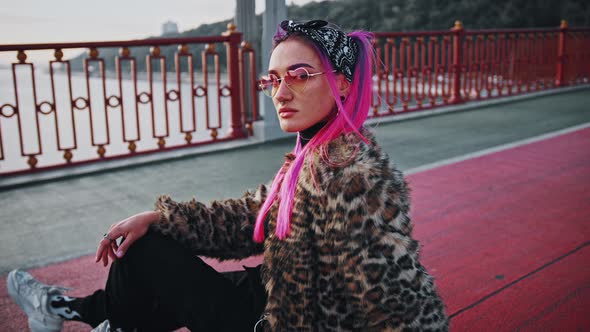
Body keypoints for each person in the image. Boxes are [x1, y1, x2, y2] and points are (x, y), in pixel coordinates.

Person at [7, 20, 449, 331]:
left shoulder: (355, 178)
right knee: (149, 256)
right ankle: (79, 312)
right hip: (281, 290)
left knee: (142, 257)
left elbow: (397, 300)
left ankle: (83, 314)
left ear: (345, 83)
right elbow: (255, 216)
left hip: (279, 321)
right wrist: (161, 217)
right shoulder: (315, 154)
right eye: (272, 79)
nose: (280, 92)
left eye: (298, 76)